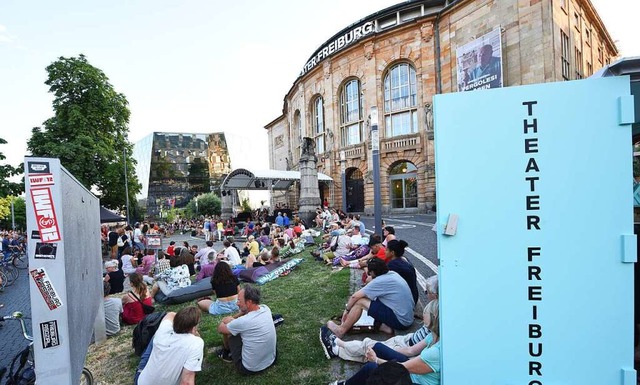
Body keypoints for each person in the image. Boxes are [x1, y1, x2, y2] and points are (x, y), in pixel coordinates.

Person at [321, 275, 438, 363]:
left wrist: (384, 352)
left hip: (408, 343)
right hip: (410, 338)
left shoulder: (435, 335)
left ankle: (338, 342)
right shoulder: (437, 321)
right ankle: (338, 350)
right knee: (371, 352)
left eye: (427, 292)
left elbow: (411, 352)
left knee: (370, 345)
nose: (426, 294)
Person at [329, 299, 440, 385]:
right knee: (378, 347)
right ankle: (340, 346)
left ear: (433, 319)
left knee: (372, 367)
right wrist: (387, 349)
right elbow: (410, 351)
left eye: (425, 323)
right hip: (414, 372)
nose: (423, 322)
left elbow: (401, 368)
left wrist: (376, 360)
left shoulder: (435, 353)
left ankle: (339, 349)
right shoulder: (434, 335)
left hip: (415, 381)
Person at [327, 258, 414, 338]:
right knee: (374, 299)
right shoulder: (392, 274)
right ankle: (384, 327)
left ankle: (341, 330)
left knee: (360, 302)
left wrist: (347, 310)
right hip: (407, 318)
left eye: (369, 272)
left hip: (400, 321)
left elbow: (355, 296)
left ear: (373, 272)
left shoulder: (379, 281)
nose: (368, 274)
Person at [216, 285, 277, 374]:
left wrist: (226, 320)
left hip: (249, 368)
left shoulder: (243, 322)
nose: (237, 303)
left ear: (248, 302)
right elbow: (245, 313)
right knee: (237, 329)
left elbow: (220, 329)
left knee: (230, 333)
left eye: (239, 301)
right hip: (271, 359)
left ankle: (227, 353)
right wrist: (233, 318)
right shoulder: (265, 308)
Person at [136, 307, 204, 385]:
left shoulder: (164, 329)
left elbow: (170, 314)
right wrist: (195, 334)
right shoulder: (196, 343)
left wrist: (182, 320)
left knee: (156, 336)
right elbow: (186, 382)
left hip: (141, 382)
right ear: (194, 326)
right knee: (190, 366)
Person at [386, 240, 418, 305]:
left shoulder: (392, 265)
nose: (385, 251)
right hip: (414, 296)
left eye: (386, 250)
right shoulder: (405, 259)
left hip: (406, 301)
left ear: (392, 252)